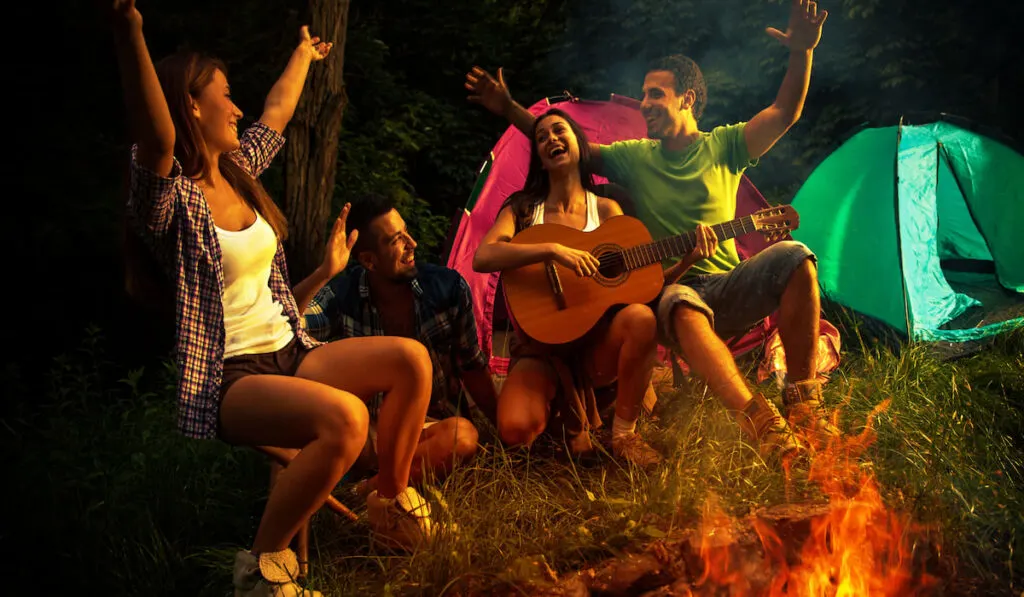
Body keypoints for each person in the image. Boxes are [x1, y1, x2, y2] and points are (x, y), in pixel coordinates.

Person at [107, 2, 435, 594]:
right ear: (190, 105)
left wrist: (303, 55)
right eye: (225, 95)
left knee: (411, 359)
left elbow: (279, 110)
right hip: (230, 379)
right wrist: (130, 29)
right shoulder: (171, 204)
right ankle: (262, 571)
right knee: (347, 420)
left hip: (289, 347)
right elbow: (156, 137)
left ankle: (388, 506)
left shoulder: (238, 171)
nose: (237, 107)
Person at [465, 0, 836, 461]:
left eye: (655, 95)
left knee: (797, 256)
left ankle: (803, 401)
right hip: (672, 287)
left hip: (728, 282)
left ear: (688, 99)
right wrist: (509, 110)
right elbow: (568, 146)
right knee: (678, 301)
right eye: (643, 95)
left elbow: (784, 112)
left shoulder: (726, 146)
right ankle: (757, 419)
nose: (644, 104)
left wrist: (802, 52)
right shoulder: (635, 155)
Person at [473, 108, 662, 467]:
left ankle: (624, 435)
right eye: (541, 137)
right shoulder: (523, 210)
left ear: (579, 143)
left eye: (560, 131)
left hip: (595, 348)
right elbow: (483, 256)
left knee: (640, 319)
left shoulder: (607, 209)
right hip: (540, 349)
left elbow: (641, 281)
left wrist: (689, 258)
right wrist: (553, 249)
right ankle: (560, 409)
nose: (550, 140)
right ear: (540, 159)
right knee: (515, 430)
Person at [304, 194, 497, 495]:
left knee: (462, 438)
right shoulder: (343, 295)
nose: (412, 244)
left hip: (429, 428)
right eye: (397, 240)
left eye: (407, 231)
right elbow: (286, 325)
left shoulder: (447, 288)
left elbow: (472, 365)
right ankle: (387, 480)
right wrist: (323, 274)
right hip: (367, 431)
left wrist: (502, 432)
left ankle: (363, 492)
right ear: (369, 260)